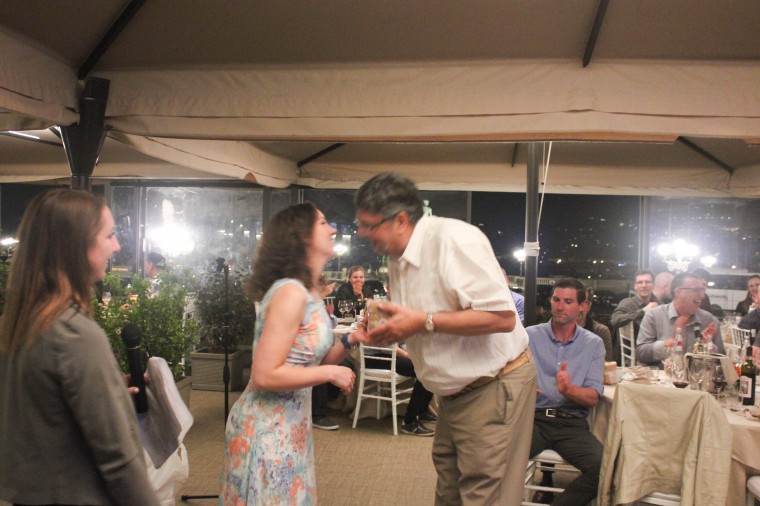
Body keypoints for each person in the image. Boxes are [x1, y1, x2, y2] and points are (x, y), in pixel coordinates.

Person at [353, 172, 536, 505]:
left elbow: (502, 317)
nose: (362, 233)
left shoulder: (455, 240)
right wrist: (389, 326)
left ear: (401, 220)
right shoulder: (396, 256)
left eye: (369, 225)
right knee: (449, 492)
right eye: (360, 225)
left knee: (483, 495)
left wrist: (423, 322)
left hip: (493, 385)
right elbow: (423, 316)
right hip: (453, 393)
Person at [0, 189, 160, 505]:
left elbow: (40, 408)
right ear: (76, 246)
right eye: (109, 235)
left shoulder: (16, 322)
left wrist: (108, 389)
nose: (117, 246)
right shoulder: (75, 334)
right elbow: (119, 459)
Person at [219, 202, 362, 505]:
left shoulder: (308, 292)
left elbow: (312, 363)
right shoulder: (289, 292)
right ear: (303, 236)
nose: (333, 229)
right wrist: (331, 373)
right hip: (265, 428)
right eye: (323, 223)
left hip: (291, 426)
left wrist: (353, 339)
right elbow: (264, 375)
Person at [527, 278, 605, 506]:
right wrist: (520, 388)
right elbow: (509, 375)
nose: (560, 306)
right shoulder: (530, 336)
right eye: (556, 299)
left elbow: (592, 398)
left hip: (571, 424)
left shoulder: (593, 343)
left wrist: (568, 389)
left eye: (568, 301)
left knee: (604, 468)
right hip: (534, 420)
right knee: (496, 457)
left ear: (582, 306)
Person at [636, 272, 725, 366]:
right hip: (661, 374)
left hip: (696, 374)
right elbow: (640, 354)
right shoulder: (654, 315)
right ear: (678, 292)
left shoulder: (709, 320)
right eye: (696, 290)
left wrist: (706, 347)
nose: (702, 296)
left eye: (702, 290)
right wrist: (665, 346)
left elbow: (722, 359)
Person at [610, 269, 659, 363]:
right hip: (632, 356)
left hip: (655, 354)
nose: (644, 285)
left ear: (653, 285)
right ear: (635, 286)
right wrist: (643, 311)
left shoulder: (658, 304)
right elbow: (614, 320)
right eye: (640, 282)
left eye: (647, 282)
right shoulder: (627, 303)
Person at [313, 275, 341, 431]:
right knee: (322, 365)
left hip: (320, 348)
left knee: (344, 365)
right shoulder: (308, 303)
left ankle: (327, 404)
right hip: (311, 353)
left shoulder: (317, 303)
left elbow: (331, 323)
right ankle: (318, 414)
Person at [579, 286, 613, 361]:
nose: (579, 307)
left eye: (584, 302)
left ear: (589, 306)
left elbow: (605, 364)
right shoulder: (557, 331)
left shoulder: (600, 331)